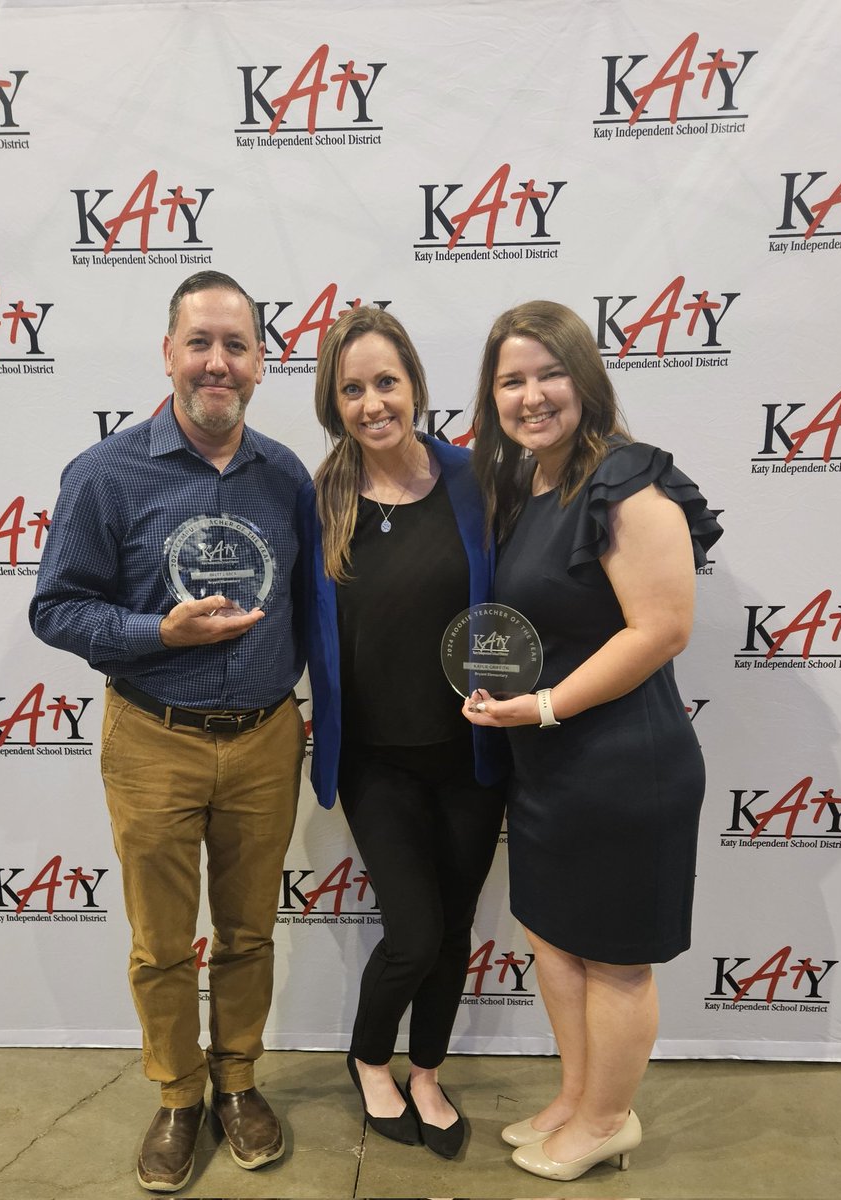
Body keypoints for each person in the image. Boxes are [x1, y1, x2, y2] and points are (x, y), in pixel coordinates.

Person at [30, 271, 311, 1192]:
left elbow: (315, 608)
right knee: (161, 941)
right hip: (154, 738)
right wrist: (158, 632)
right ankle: (179, 1094)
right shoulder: (105, 473)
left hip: (268, 737)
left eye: (237, 345)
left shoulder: (286, 475)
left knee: (248, 932)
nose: (217, 363)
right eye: (201, 343)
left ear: (262, 363)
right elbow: (57, 610)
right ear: (168, 354)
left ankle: (238, 1083)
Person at [462, 300, 722, 1183]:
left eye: (549, 374)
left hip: (622, 762)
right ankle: (578, 1097)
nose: (532, 395)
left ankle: (610, 1117)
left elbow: (661, 628)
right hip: (549, 764)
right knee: (555, 940)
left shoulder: (627, 481)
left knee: (613, 961)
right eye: (511, 380)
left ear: (585, 378)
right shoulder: (526, 484)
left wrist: (542, 707)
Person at [307, 306, 506, 1159]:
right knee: (415, 933)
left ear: (417, 386)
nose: (372, 402)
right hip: (376, 763)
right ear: (333, 402)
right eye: (352, 388)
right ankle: (368, 1058)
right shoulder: (316, 500)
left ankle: (427, 1069)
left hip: (471, 754)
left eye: (386, 382)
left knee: (455, 929)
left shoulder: (479, 480)